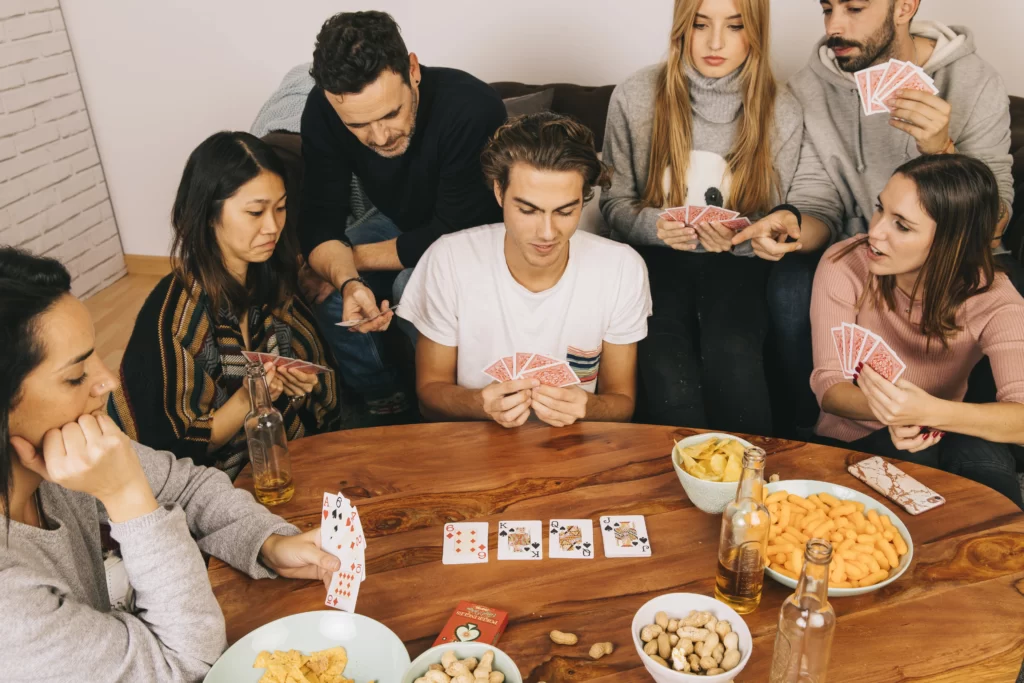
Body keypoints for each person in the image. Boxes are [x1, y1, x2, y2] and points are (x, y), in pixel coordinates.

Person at [0, 247, 343, 681]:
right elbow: (185, 664)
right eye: (75, 376)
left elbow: (188, 486)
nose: (106, 382)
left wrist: (265, 541)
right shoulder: (9, 607)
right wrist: (127, 497)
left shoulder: (58, 452)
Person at [740, 0, 1017, 433]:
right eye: (827, 8)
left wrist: (941, 149)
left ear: (904, 6)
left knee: (998, 285)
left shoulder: (974, 80)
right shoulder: (806, 89)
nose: (834, 26)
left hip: (951, 252)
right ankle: (804, 436)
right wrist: (793, 225)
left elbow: (995, 220)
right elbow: (817, 204)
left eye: (854, 8)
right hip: (855, 253)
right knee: (790, 285)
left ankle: (975, 432)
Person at [600, 0, 815, 433]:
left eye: (734, 26)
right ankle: (672, 484)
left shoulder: (783, 109)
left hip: (739, 266)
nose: (715, 42)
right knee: (664, 363)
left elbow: (777, 215)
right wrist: (654, 227)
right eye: (700, 24)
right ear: (682, 26)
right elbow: (612, 202)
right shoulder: (636, 95)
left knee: (734, 353)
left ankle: (750, 486)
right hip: (652, 259)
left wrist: (745, 239)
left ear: (755, 31)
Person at [300, 10, 507, 416]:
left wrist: (347, 260)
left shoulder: (470, 107)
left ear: (412, 69)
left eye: (390, 114)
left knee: (413, 290)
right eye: (358, 125)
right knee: (323, 290)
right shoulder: (323, 110)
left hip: (478, 235)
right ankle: (385, 405)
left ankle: (445, 410)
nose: (380, 137)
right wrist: (345, 282)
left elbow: (450, 232)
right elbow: (320, 219)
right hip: (404, 222)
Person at [398, 112, 652, 428]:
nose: (546, 232)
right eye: (528, 210)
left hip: (572, 450)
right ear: (499, 193)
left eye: (565, 211)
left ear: (584, 199)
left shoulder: (622, 268)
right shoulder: (449, 259)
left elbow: (622, 405)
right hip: (473, 447)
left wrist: (588, 406)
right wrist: (480, 404)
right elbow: (429, 398)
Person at [109, 132, 339, 478]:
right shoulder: (174, 317)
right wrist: (250, 399)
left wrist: (298, 388)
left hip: (276, 464)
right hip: (203, 485)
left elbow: (317, 387)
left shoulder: (271, 279)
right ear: (208, 214)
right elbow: (170, 451)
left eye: (280, 207)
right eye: (255, 212)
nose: (273, 226)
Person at [810, 155, 1024, 508]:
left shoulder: (995, 298)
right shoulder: (845, 261)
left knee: (985, 467)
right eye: (880, 209)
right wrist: (895, 412)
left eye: (902, 225)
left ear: (952, 243)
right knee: (917, 459)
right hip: (853, 441)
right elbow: (829, 387)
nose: (874, 231)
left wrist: (926, 412)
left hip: (946, 428)